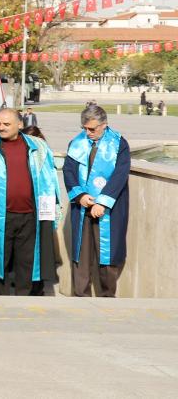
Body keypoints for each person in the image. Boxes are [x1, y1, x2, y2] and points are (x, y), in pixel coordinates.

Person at [0, 108, 59, 296]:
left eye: (6, 124)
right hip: (1, 216)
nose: (1, 128)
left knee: (28, 263)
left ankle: (24, 300)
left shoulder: (38, 146)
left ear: (20, 124)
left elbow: (49, 178)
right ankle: (0, 302)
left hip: (30, 215)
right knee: (0, 262)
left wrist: (52, 209)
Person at [64, 104, 130, 297]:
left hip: (109, 209)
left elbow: (120, 174)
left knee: (107, 253)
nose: (88, 133)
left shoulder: (119, 143)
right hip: (83, 205)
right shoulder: (77, 142)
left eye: (92, 129)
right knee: (81, 254)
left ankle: (107, 296)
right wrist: (80, 195)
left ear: (104, 124)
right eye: (84, 128)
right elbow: (69, 171)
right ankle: (81, 295)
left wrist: (102, 202)